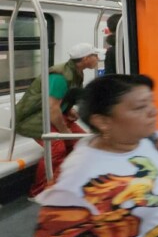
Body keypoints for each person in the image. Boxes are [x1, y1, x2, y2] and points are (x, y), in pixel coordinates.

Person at [27, 74, 158, 237]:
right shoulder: (75, 183)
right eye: (140, 107)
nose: (154, 111)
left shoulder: (149, 138)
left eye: (151, 102)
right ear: (103, 122)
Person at [15, 42, 102, 198]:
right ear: (86, 58)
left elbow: (64, 99)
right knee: (57, 148)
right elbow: (52, 108)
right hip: (35, 119)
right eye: (95, 55)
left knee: (82, 141)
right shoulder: (60, 76)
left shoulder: (76, 71)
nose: (98, 58)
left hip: (54, 115)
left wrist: (69, 111)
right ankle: (39, 191)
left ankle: (67, 180)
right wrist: (63, 131)